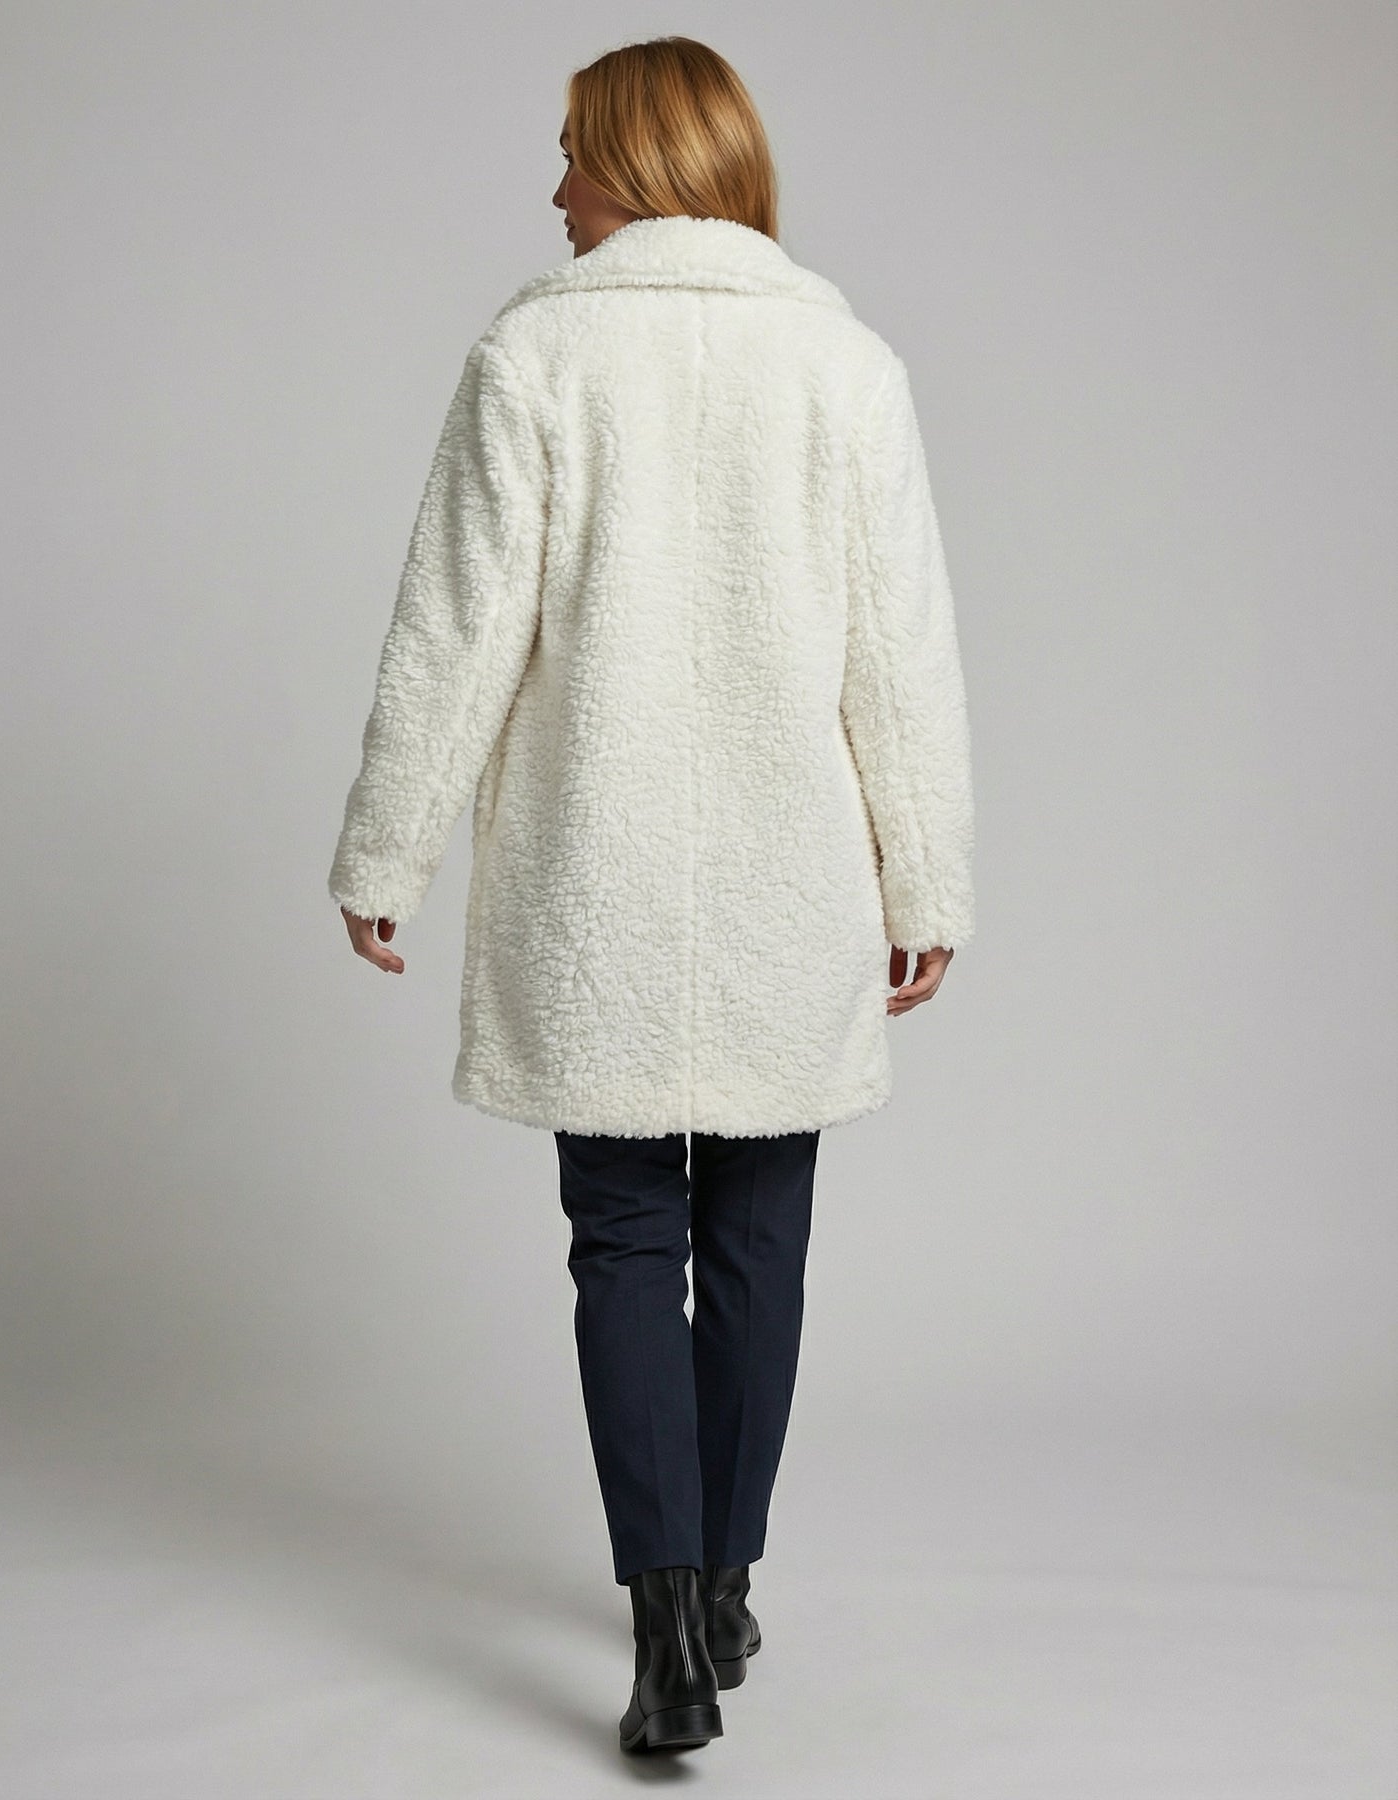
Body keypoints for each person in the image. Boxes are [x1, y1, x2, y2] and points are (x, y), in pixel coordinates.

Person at [327, 35, 975, 1757]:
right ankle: (727, 1583)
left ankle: (665, 1627)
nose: (553, 191)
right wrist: (924, 871)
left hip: (593, 880)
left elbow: (455, 632)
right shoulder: (844, 368)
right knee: (758, 1238)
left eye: (572, 154)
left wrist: (387, 847)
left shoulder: (535, 353)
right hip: (788, 885)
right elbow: (899, 652)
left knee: (622, 1241)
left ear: (641, 161)